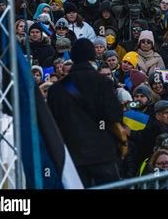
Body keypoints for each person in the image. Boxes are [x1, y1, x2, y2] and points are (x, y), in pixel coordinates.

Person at [47, 39, 124, 187]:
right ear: (92, 55)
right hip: (103, 154)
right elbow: (115, 115)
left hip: (72, 155)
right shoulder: (103, 82)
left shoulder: (56, 90)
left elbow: (53, 123)